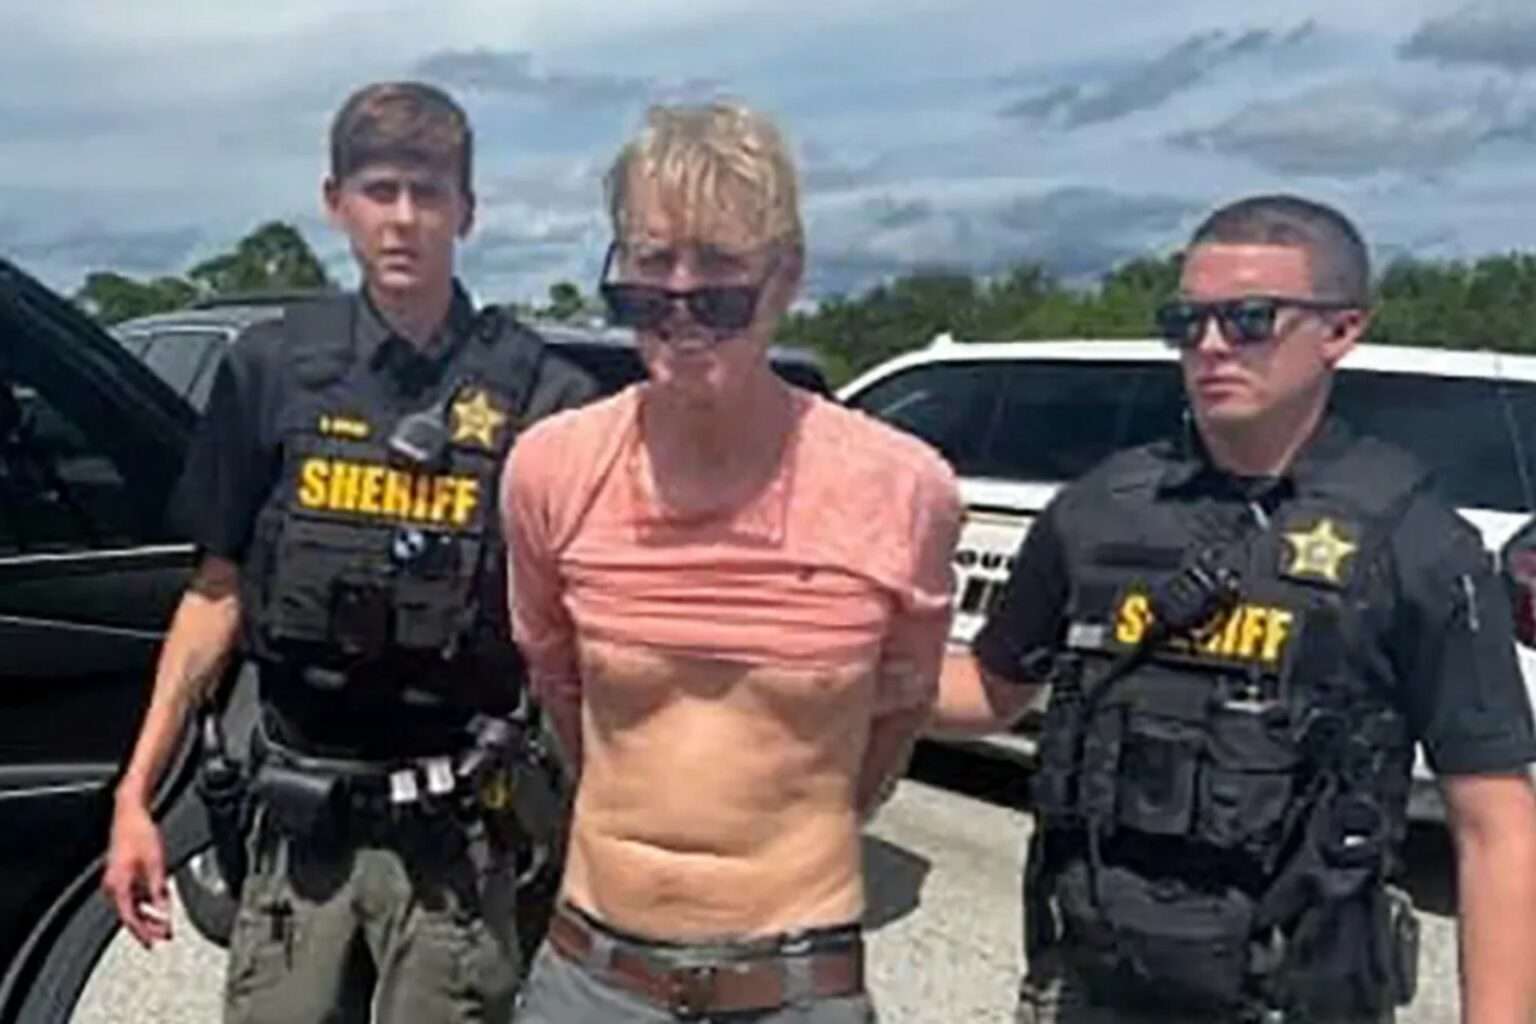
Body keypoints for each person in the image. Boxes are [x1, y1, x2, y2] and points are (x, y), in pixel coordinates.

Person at [931, 194, 1536, 1024]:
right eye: (1187, 321)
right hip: (1089, 991)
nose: (1211, 345)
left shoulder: (1418, 541)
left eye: (1250, 319)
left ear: (1342, 329)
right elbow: (986, 693)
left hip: (1296, 999)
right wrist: (828, 659)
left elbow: (1495, 824)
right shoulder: (1099, 509)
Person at [101, 81, 597, 1024]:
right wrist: (136, 798)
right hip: (302, 833)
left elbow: (579, 637)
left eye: (428, 192)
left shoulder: (546, 397)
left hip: (458, 842)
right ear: (336, 202)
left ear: (467, 210)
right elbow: (214, 594)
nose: (403, 218)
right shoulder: (270, 369)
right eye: (379, 190)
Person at [500, 100, 962, 1023]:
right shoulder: (552, 469)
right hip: (591, 973)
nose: (681, 299)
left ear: (785, 275)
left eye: (717, 265)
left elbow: (895, 718)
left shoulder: (902, 489)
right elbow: (559, 688)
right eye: (652, 262)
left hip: (794, 980)